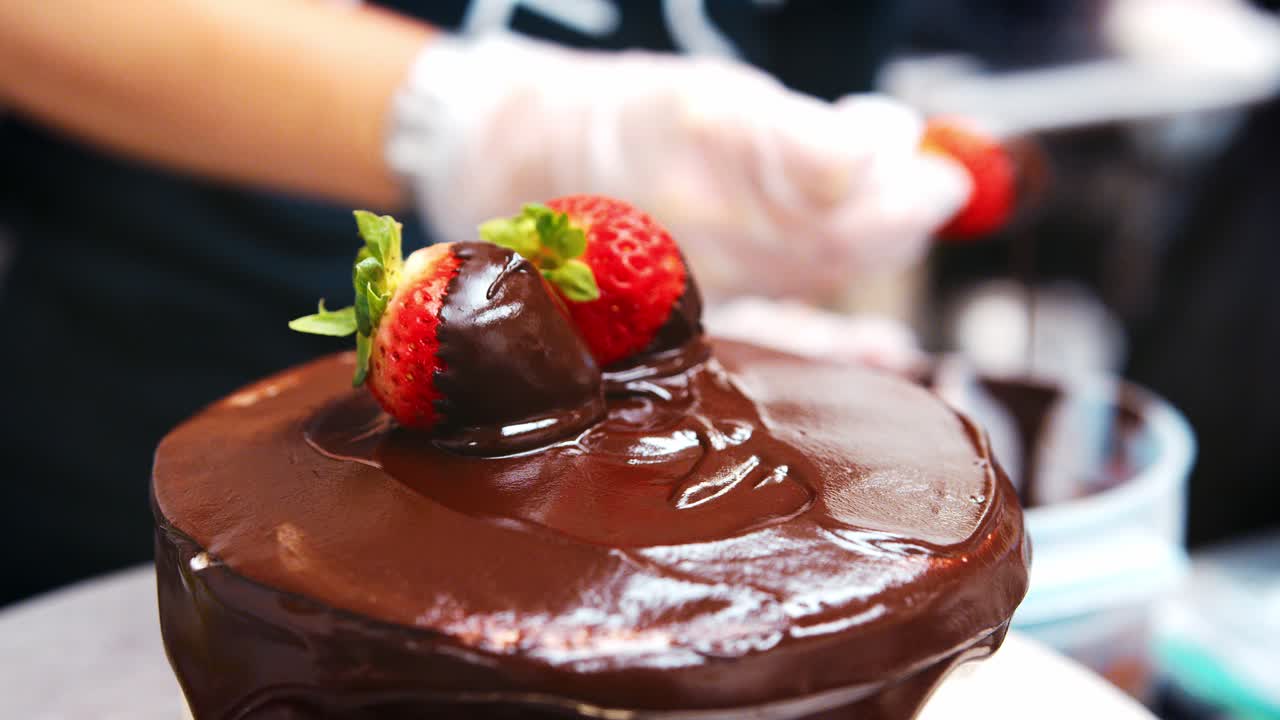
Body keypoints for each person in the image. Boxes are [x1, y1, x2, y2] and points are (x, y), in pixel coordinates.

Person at [0, 0, 968, 605]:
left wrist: (759, 266)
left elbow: (794, 93)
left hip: (619, 530)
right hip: (139, 451)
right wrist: (465, 119)